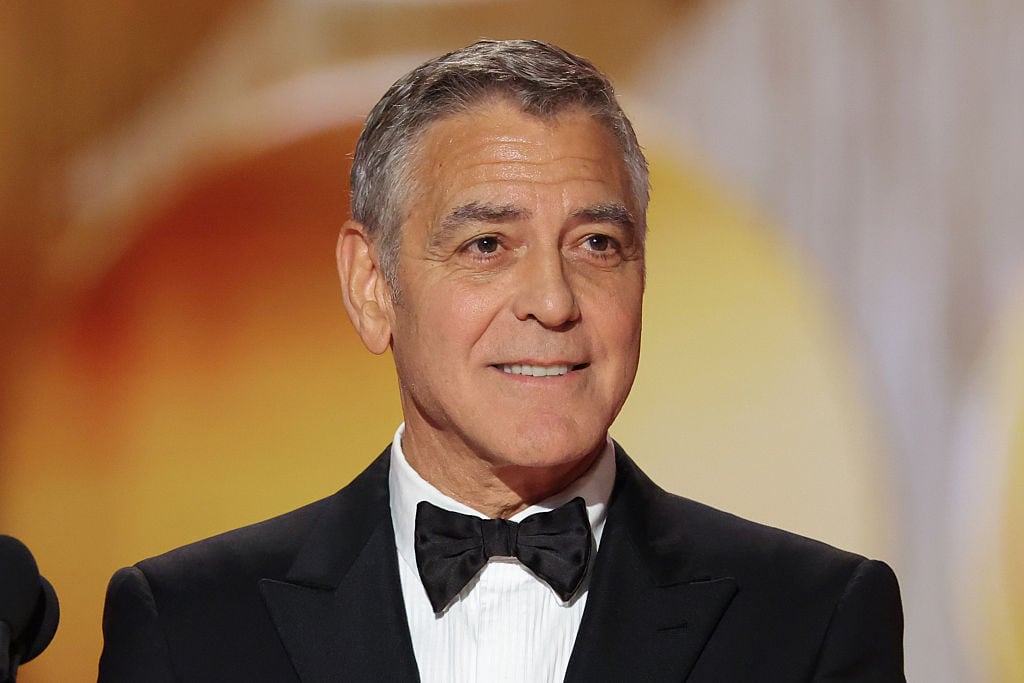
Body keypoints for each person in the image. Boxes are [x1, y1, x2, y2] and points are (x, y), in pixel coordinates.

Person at [98, 40, 904, 682]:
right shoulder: (189, 626)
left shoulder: (812, 621)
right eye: (487, 245)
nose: (553, 302)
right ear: (372, 286)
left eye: (597, 244)